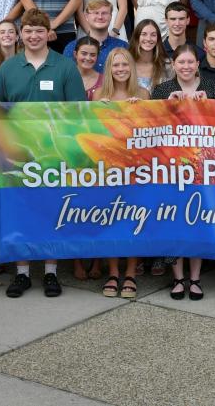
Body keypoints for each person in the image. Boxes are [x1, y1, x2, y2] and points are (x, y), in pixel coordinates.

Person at [0, 9, 87, 297]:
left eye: (39, 30)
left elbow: (78, 111)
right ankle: (22, 273)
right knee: (19, 211)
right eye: (28, 31)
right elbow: (0, 104)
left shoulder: (64, 67)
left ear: (49, 33)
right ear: (21, 35)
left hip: (53, 154)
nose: (33, 36)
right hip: (15, 154)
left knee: (51, 210)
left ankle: (50, 271)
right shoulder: (8, 68)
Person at [151, 44, 215, 301]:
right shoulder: (163, 90)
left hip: (204, 166)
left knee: (199, 220)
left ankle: (196, 278)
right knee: (175, 220)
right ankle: (178, 278)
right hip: (171, 167)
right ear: (174, 63)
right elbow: (147, 125)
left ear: (197, 63)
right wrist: (164, 107)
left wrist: (210, 106)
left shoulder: (211, 87)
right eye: (182, 62)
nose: (186, 67)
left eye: (191, 62)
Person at [89, 48, 147, 299]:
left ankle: (131, 273)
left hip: (137, 167)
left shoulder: (143, 93)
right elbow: (89, 128)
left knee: (135, 220)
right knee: (110, 219)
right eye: (116, 66)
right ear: (109, 69)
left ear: (131, 68)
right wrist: (97, 111)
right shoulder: (98, 95)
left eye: (125, 65)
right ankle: (113, 272)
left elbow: (153, 131)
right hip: (108, 167)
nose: (120, 69)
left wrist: (141, 109)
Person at [63, 0, 127, 72]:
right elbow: (66, 76)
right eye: (95, 13)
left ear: (111, 16)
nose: (100, 17)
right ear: (86, 16)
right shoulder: (72, 47)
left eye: (104, 13)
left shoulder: (123, 47)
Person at [128, 19, 167, 91]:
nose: (148, 39)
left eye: (153, 35)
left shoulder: (167, 65)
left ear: (158, 39)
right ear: (137, 37)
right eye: (144, 34)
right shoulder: (126, 64)